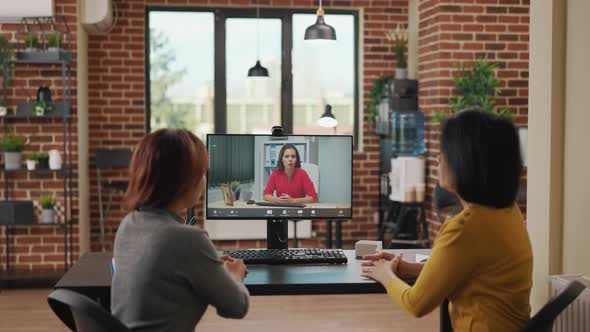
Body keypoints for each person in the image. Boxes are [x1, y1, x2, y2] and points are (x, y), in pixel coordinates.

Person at [362, 108, 532, 331]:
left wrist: (384, 275)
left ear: (466, 162)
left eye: (444, 153)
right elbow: (465, 271)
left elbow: (416, 304)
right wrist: (406, 268)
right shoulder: (508, 212)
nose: (438, 159)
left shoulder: (465, 229)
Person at [112, 129, 249, 332]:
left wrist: (207, 267)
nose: (204, 180)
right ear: (183, 181)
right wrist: (234, 275)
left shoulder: (128, 224)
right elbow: (236, 306)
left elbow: (167, 273)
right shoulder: (187, 239)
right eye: (202, 173)